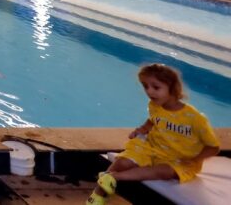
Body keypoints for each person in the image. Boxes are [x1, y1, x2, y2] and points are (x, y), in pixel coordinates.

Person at [86, 63, 220, 205]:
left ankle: (113, 177)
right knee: (123, 162)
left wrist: (195, 159)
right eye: (146, 86)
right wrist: (143, 129)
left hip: (179, 159)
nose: (149, 92)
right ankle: (98, 194)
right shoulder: (155, 105)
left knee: (165, 172)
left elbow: (213, 147)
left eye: (156, 87)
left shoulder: (195, 119)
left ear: (173, 88)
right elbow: (153, 120)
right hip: (151, 148)